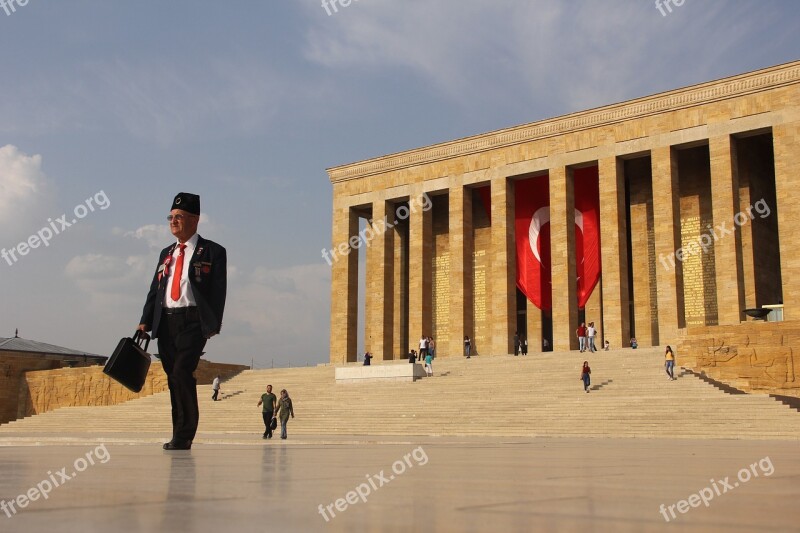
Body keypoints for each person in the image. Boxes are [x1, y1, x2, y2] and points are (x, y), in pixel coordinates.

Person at [138, 192, 227, 451]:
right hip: (165, 320)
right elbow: (155, 289)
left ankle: (185, 434)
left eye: (179, 217)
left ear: (195, 219)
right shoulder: (166, 253)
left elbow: (218, 290)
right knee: (172, 377)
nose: (173, 221)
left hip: (192, 320)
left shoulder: (212, 251)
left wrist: (211, 324)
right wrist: (145, 321)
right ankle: (178, 431)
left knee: (181, 372)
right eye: (171, 217)